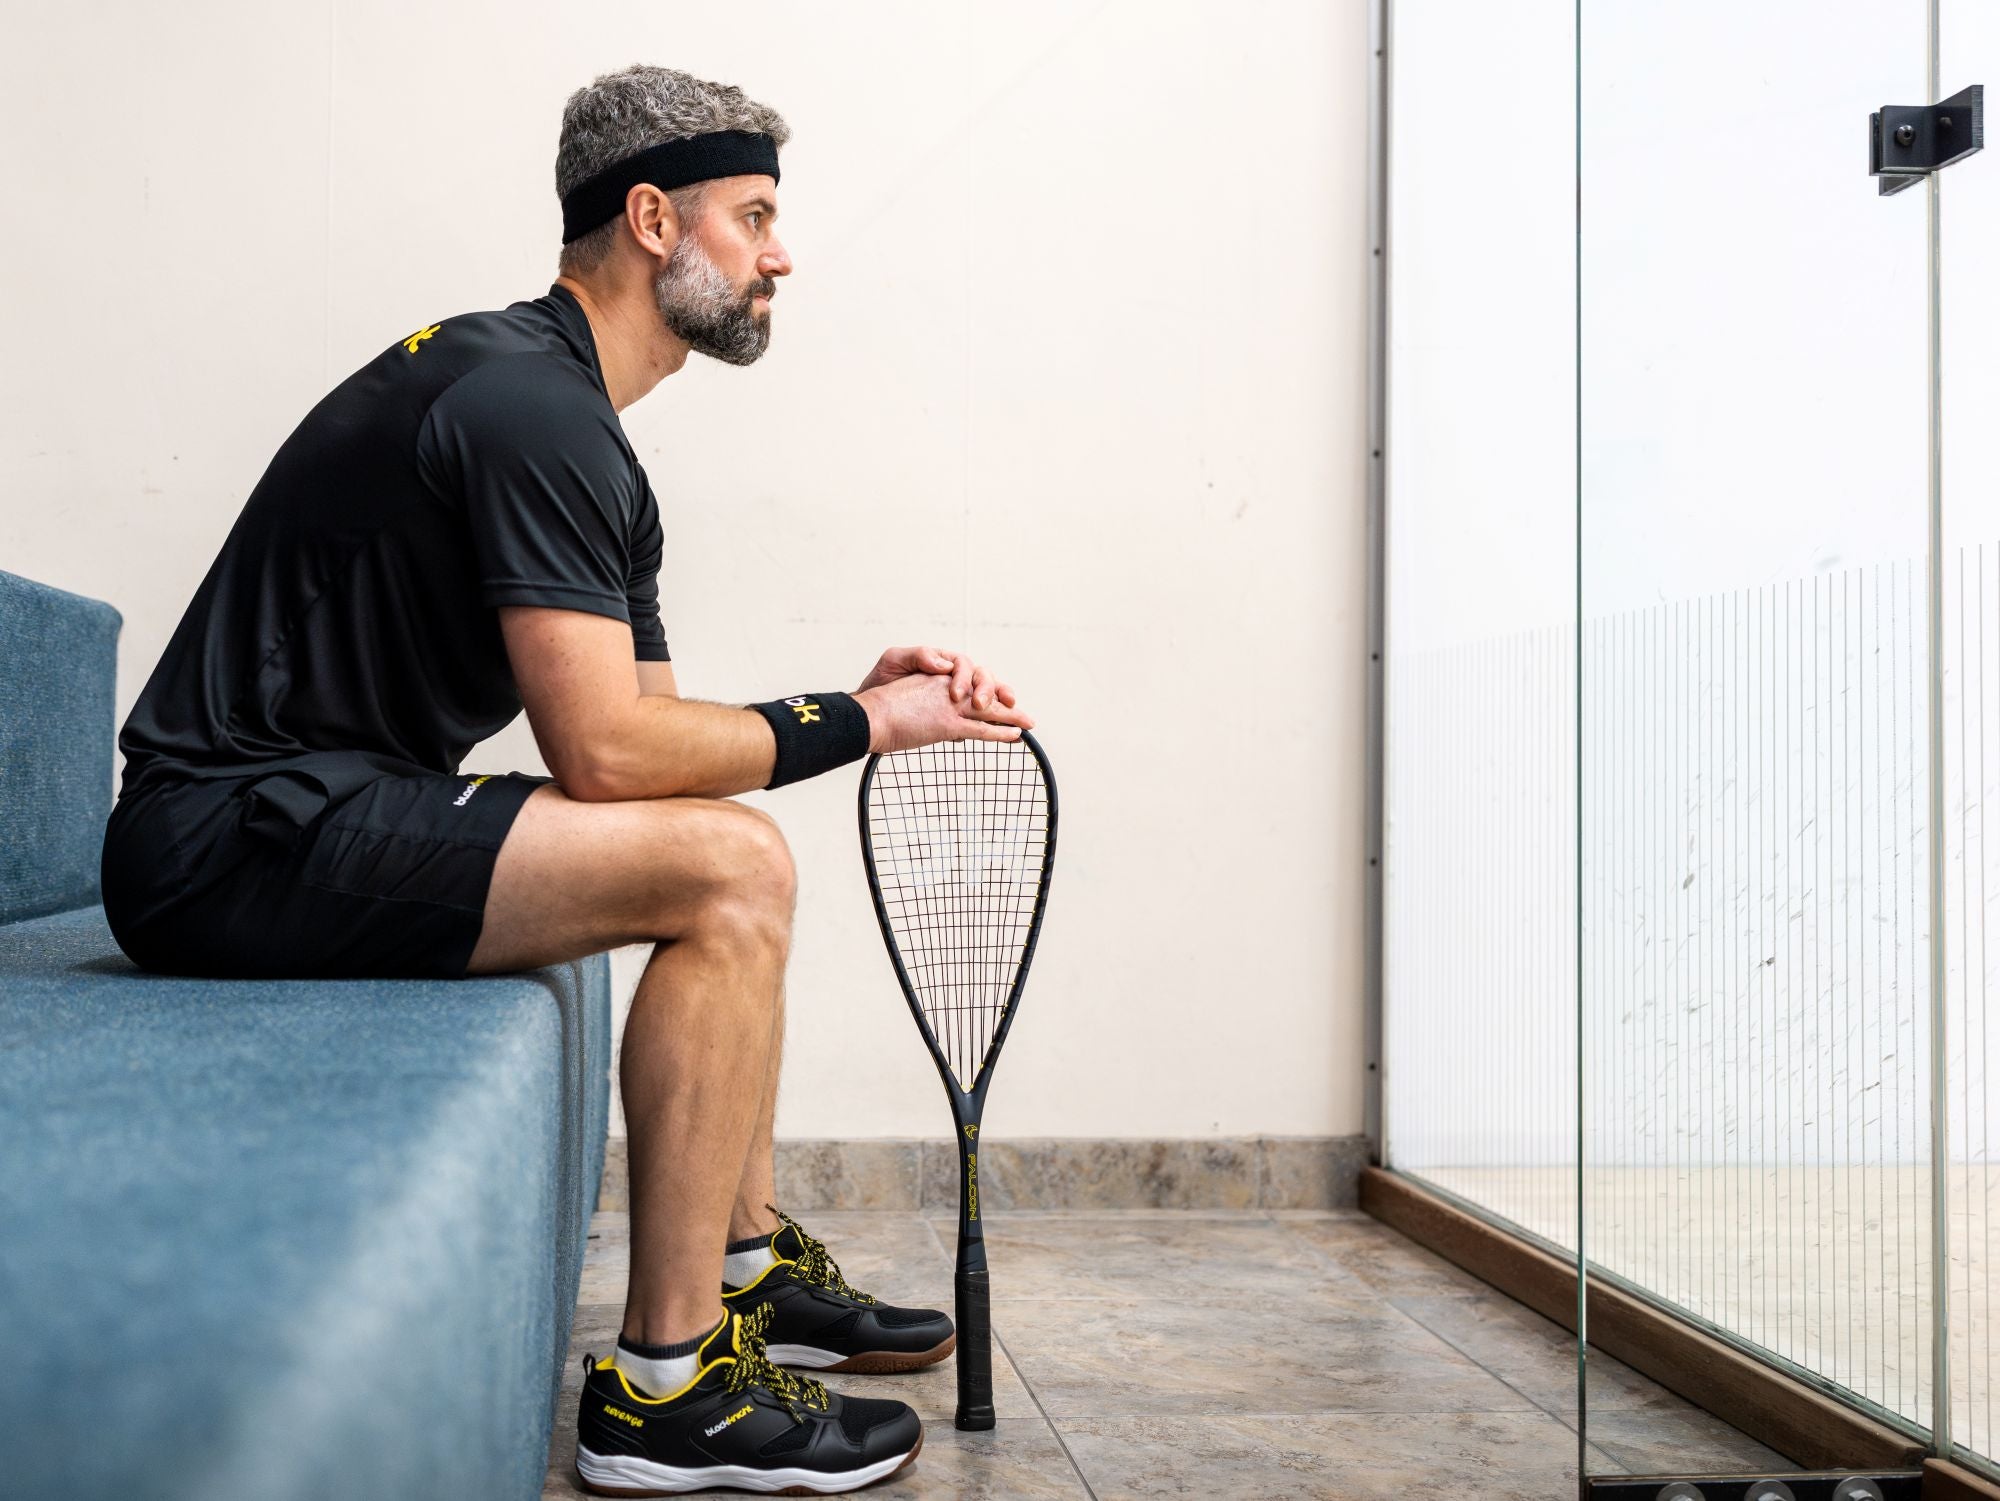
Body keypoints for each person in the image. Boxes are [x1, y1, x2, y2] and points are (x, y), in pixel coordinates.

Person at [99, 62, 1033, 1496]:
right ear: (654, 220)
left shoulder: (567, 416)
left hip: (300, 814)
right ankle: (664, 1387)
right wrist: (866, 717)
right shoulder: (529, 410)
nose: (782, 253)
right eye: (756, 215)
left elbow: (649, 748)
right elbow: (606, 755)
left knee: (711, 844)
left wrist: (859, 699)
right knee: (736, 866)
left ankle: (741, 1263)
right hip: (223, 840)